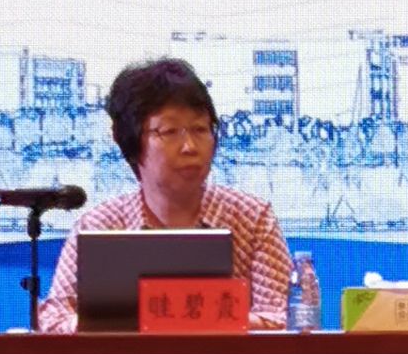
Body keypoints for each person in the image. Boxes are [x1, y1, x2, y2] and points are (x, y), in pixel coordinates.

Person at [37, 56, 294, 332]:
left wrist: (167, 321)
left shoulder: (252, 219)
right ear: (133, 144)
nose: (190, 146)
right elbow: (53, 321)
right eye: (170, 131)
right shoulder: (99, 226)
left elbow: (280, 319)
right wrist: (118, 325)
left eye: (200, 129)